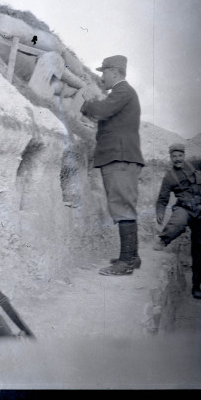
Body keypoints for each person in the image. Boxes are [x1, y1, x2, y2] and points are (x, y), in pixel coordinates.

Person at [80, 55, 145, 275]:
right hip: (121, 157)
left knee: (122, 207)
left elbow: (103, 110)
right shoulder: (122, 93)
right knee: (124, 206)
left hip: (120, 157)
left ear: (114, 72)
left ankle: (125, 262)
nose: (101, 76)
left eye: (104, 72)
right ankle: (132, 257)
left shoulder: (122, 91)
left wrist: (87, 103)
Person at [154, 143, 201, 299]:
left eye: (180, 155)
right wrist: (160, 211)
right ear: (170, 158)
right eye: (174, 156)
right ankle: (163, 240)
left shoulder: (195, 165)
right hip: (184, 207)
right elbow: (162, 199)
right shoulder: (169, 176)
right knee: (178, 221)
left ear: (184, 155)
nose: (177, 159)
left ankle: (196, 286)